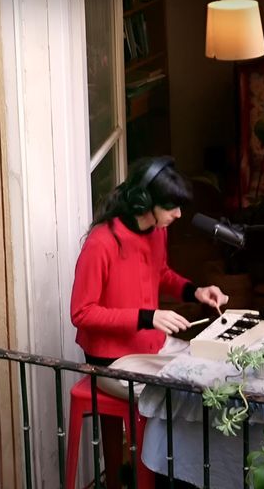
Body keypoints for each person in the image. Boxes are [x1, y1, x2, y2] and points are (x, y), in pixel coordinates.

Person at [70, 156, 228, 488]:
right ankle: (159, 477)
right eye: (171, 207)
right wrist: (147, 317)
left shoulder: (157, 232)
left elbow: (162, 275)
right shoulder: (102, 242)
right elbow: (81, 313)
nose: (179, 215)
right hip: (111, 360)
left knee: (209, 372)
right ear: (145, 202)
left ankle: (180, 475)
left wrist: (196, 291)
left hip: (151, 346)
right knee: (184, 396)